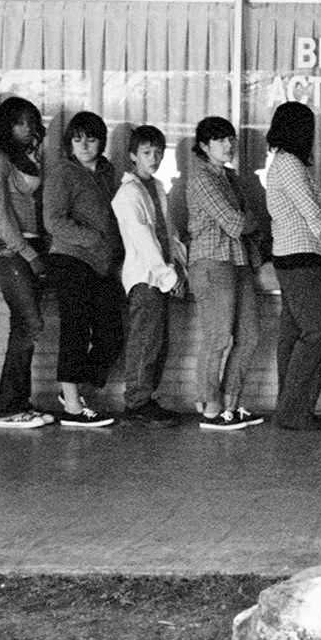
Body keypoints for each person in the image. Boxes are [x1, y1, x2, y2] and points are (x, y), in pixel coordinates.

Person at [265, 100, 321, 432]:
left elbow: (317, 211)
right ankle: (294, 410)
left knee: (294, 333)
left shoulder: (291, 164)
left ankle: (289, 407)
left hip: (295, 256)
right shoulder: (289, 165)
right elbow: (312, 212)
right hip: (299, 258)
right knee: (318, 333)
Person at [182, 115, 265, 431]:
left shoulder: (230, 178)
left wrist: (249, 221)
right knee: (217, 337)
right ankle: (209, 407)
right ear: (204, 146)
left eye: (231, 138)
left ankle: (231, 403)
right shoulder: (201, 177)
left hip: (240, 261)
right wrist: (249, 221)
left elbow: (251, 220)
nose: (228, 145)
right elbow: (236, 223)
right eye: (220, 140)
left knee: (250, 335)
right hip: (211, 262)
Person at [42, 109, 123, 428]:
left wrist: (114, 248)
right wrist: (92, 238)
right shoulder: (63, 172)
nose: (85, 145)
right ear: (69, 142)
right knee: (75, 328)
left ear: (101, 141)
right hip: (70, 258)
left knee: (111, 334)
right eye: (77, 139)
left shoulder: (107, 172)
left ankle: (72, 386)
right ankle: (73, 406)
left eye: (91, 138)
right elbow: (54, 220)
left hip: (104, 264)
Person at [0, 96, 54, 430]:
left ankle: (17, 402)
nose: (26, 127)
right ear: (6, 125)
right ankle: (6, 408)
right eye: (18, 122)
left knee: (23, 327)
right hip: (10, 248)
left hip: (35, 244)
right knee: (31, 323)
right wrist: (29, 253)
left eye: (30, 121)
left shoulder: (32, 157)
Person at [112, 122, 186, 428]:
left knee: (158, 341)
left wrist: (179, 268)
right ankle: (136, 402)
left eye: (158, 152)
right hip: (145, 277)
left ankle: (145, 398)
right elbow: (144, 240)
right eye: (146, 152)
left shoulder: (156, 186)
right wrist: (168, 276)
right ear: (133, 155)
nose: (153, 158)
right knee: (145, 341)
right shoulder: (127, 194)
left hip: (162, 275)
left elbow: (169, 232)